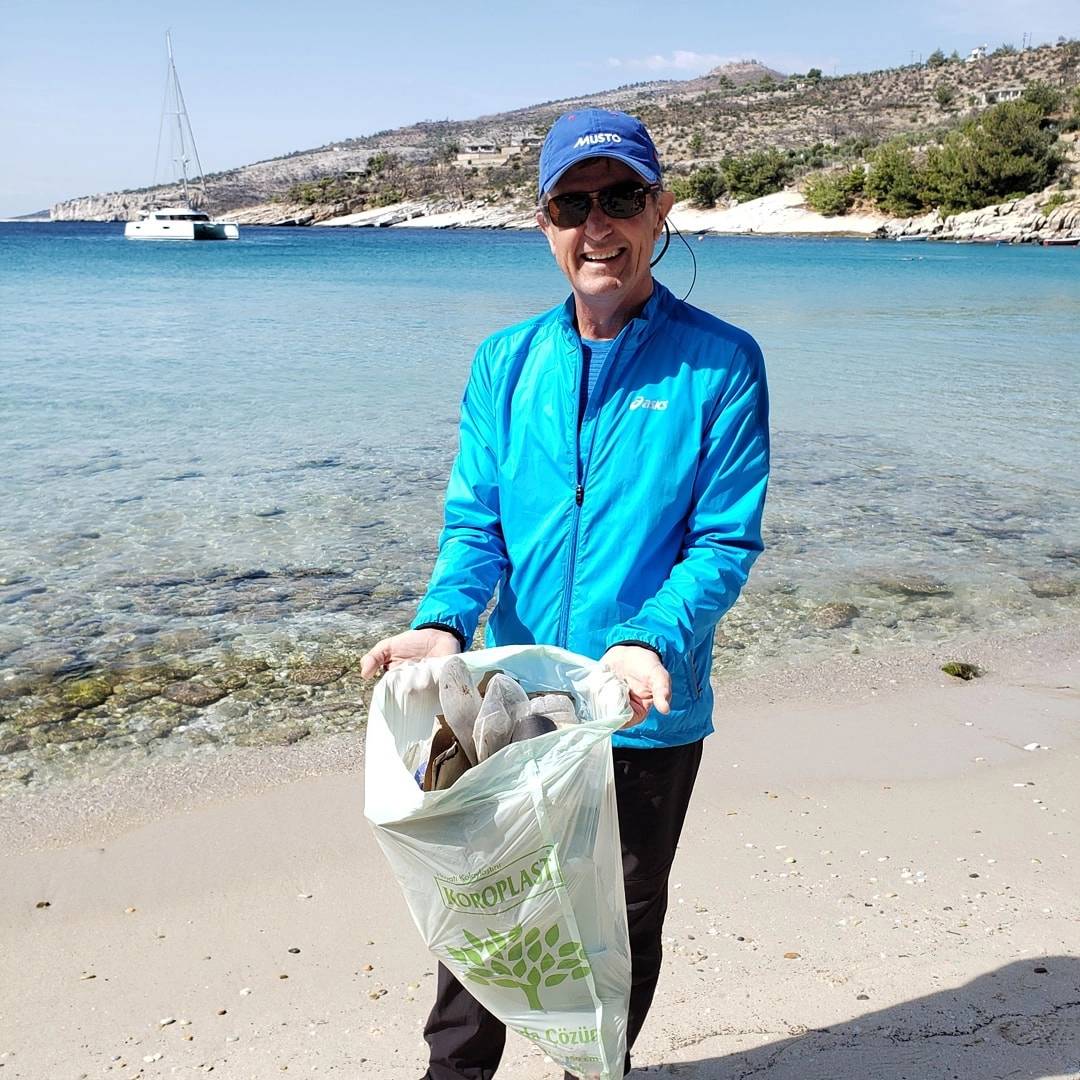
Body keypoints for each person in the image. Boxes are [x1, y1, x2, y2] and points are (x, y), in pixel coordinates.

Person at [360, 108, 770, 1079]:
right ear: (545, 223)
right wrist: (443, 621)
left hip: (644, 713)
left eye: (621, 197)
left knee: (616, 937)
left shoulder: (721, 364)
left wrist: (646, 640)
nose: (598, 224)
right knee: (483, 926)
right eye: (572, 202)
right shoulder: (505, 364)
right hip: (517, 717)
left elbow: (721, 544)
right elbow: (477, 528)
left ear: (660, 210)